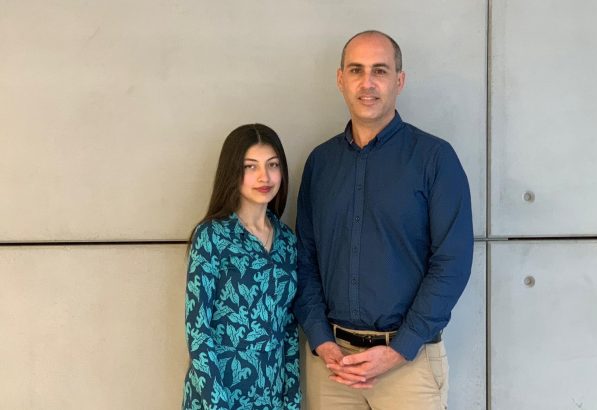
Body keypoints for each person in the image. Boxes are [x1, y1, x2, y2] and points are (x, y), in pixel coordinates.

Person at [294, 30, 473, 410]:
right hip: (332, 368)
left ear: (399, 80)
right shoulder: (320, 164)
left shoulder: (435, 159)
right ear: (340, 79)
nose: (367, 82)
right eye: (356, 70)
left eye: (380, 70)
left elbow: (452, 263)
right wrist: (320, 339)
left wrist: (399, 349)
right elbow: (305, 259)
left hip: (408, 366)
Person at [182, 124, 301, 410]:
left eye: (273, 165)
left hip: (272, 398)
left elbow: (288, 330)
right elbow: (198, 330)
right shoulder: (212, 236)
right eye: (251, 166)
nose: (264, 176)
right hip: (217, 397)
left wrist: (292, 400)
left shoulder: (287, 241)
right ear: (233, 172)